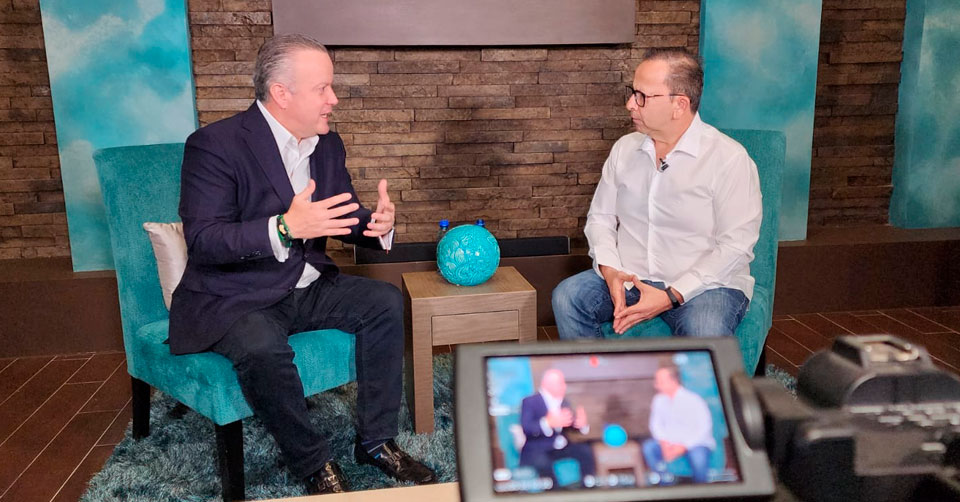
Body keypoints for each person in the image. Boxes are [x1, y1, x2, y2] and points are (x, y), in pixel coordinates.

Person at [169, 34, 435, 494]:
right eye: (323, 88)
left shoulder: (327, 144)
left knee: (385, 302)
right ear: (282, 93)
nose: (334, 99)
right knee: (260, 347)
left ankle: (376, 442)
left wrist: (376, 226)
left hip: (306, 283)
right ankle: (313, 463)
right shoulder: (214, 145)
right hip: (238, 294)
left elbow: (340, 214)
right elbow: (204, 239)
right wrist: (284, 227)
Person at [551, 48, 762, 339]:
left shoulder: (729, 159)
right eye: (632, 92)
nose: (630, 104)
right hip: (632, 277)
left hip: (707, 286)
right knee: (568, 297)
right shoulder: (625, 149)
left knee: (705, 329)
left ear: (679, 104)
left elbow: (736, 247)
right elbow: (600, 219)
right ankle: (598, 370)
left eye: (642, 96)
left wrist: (672, 295)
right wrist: (611, 271)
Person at [518, 369, 596, 486]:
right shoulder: (530, 402)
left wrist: (581, 425)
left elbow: (569, 425)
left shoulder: (564, 402)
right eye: (560, 383)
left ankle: (588, 488)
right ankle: (555, 492)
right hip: (539, 449)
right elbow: (527, 428)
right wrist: (547, 423)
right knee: (543, 463)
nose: (564, 386)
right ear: (547, 384)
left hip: (561, 447)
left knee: (585, 450)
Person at [641, 366, 715, 484]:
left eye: (660, 382)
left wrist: (683, 447)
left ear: (673, 381)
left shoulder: (693, 399)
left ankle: (702, 489)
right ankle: (666, 484)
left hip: (695, 443)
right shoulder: (658, 400)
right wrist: (664, 443)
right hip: (670, 442)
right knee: (649, 447)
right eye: (656, 382)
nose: (656, 385)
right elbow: (655, 425)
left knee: (698, 458)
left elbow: (704, 428)